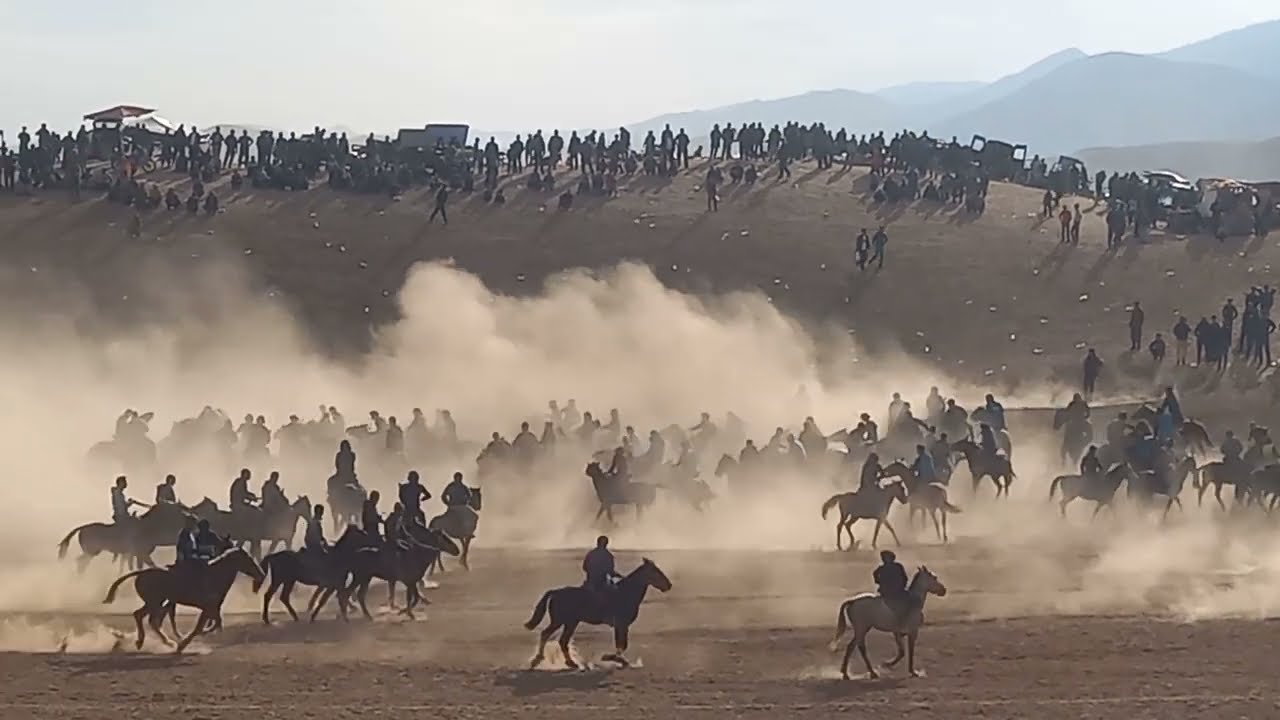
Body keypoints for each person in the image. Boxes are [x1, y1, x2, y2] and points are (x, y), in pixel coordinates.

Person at [582, 535, 622, 614]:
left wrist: (592, 572)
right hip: (601, 582)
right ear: (606, 544)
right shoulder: (608, 555)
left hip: (590, 581)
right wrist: (619, 576)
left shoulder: (591, 553)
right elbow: (610, 572)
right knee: (616, 596)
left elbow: (584, 567)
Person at [873, 550, 910, 625]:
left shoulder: (895, 567)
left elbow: (904, 578)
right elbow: (875, 575)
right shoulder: (893, 567)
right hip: (891, 592)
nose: (885, 559)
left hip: (895, 590)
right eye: (884, 558)